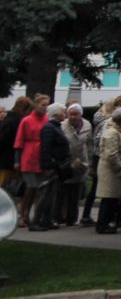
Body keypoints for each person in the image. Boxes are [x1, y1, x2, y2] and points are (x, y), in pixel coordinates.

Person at [32, 98, 73, 230]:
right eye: (63, 112)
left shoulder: (55, 127)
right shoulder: (50, 128)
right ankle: (36, 221)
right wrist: (50, 164)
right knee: (45, 194)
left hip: (56, 165)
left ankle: (46, 220)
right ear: (57, 113)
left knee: (51, 195)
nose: (65, 114)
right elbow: (46, 148)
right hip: (52, 166)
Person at [12, 94, 50, 231]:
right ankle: (22, 214)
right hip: (28, 155)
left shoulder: (47, 120)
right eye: (43, 105)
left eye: (47, 105)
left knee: (38, 189)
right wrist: (17, 160)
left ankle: (31, 215)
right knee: (30, 187)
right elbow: (19, 141)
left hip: (41, 156)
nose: (45, 108)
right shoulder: (26, 120)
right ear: (36, 105)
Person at [94, 110, 121, 233]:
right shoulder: (112, 133)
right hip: (111, 171)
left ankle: (107, 223)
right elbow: (112, 155)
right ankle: (103, 224)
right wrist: (120, 169)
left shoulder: (118, 132)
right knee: (108, 197)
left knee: (112, 198)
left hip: (113, 170)